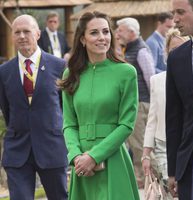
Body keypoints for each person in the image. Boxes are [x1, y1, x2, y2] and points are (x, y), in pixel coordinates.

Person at [59, 11, 140, 200]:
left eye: (106, 32)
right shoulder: (70, 74)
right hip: (81, 165)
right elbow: (69, 124)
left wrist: (94, 157)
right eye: (94, 33)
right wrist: (76, 156)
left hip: (113, 159)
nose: (102, 37)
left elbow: (127, 124)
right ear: (82, 39)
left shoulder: (126, 73)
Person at [0, 14, 68, 200]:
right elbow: (7, 110)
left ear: (37, 34)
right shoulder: (4, 72)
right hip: (18, 150)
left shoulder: (60, 66)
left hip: (52, 146)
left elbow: (66, 108)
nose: (22, 36)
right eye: (17, 32)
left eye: (26, 31)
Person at [142, 29, 189, 197]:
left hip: (189, 145)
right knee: (171, 192)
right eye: (172, 49)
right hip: (163, 147)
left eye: (182, 47)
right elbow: (152, 119)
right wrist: (146, 155)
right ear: (167, 52)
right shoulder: (157, 80)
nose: (177, 53)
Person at [166, 0, 193, 199]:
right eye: (173, 13)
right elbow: (173, 117)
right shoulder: (176, 58)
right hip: (189, 164)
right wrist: (173, 170)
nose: (175, 19)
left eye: (180, 12)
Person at [116, 17, 155, 188]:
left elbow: (150, 78)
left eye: (121, 31)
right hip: (135, 103)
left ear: (132, 32)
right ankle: (142, 178)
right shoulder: (128, 49)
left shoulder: (140, 50)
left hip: (141, 103)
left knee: (139, 144)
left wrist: (151, 104)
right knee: (135, 143)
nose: (118, 34)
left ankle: (147, 180)